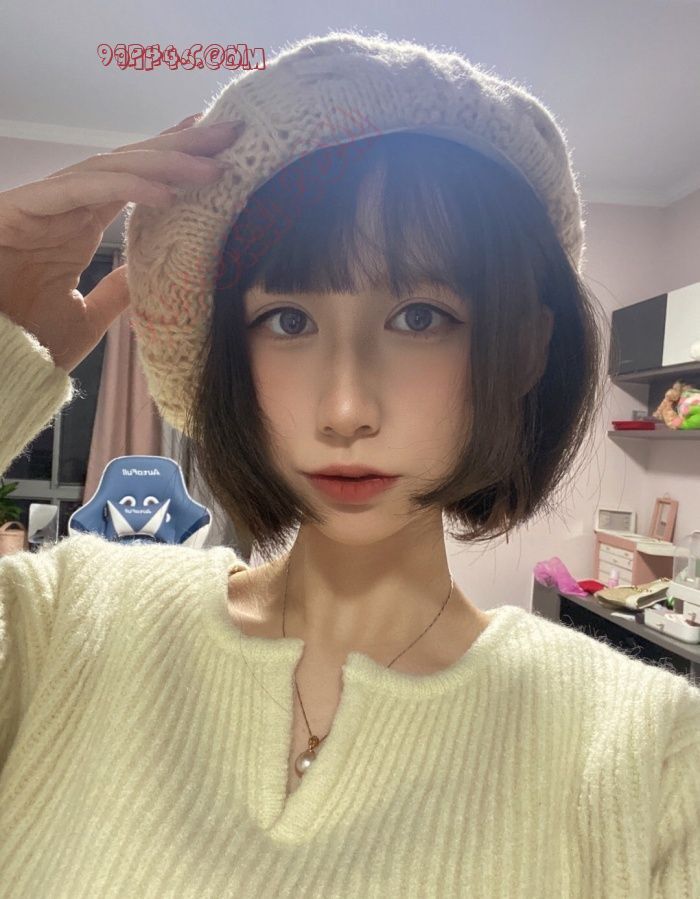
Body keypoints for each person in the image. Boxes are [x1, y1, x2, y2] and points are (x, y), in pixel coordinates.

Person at [0, 29, 698, 899]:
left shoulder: (650, 757)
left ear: (522, 348)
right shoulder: (65, 623)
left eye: (419, 317)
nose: (344, 409)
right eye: (288, 320)